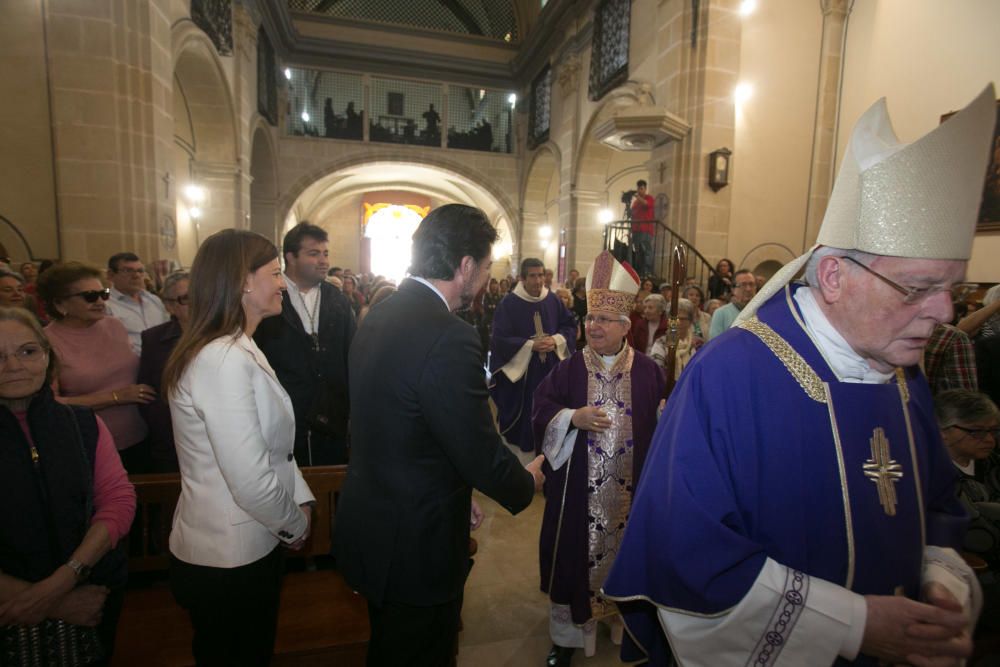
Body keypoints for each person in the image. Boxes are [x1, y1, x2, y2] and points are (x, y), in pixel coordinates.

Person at [603, 84, 996, 666]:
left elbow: (937, 504)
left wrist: (941, 582)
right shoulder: (732, 376)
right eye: (919, 288)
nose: (943, 314)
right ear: (833, 276)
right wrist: (855, 625)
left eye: (951, 289)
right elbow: (690, 557)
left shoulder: (902, 374)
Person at [334, 204, 545, 666]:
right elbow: (479, 447)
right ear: (465, 266)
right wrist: (525, 482)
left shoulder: (381, 313)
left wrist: (453, 487)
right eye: (487, 267)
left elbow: (408, 424)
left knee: (389, 647)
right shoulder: (449, 335)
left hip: (375, 524)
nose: (488, 279)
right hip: (414, 546)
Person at [162, 229, 315, 666]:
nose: (283, 283)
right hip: (227, 558)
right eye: (274, 273)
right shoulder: (221, 359)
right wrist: (295, 525)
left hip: (250, 542)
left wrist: (301, 498)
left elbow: (274, 450)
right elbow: (248, 479)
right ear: (243, 281)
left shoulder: (240, 346)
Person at [532, 251, 665, 666]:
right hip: (577, 497)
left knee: (629, 556)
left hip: (632, 493)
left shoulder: (648, 371)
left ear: (626, 326)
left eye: (604, 321)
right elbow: (541, 409)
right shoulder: (569, 369)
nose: (594, 326)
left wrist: (665, 415)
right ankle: (567, 639)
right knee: (573, 561)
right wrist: (573, 416)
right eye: (591, 319)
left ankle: (622, 626)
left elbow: (663, 428)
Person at [0, 307, 136, 664]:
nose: (13, 365)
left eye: (27, 351)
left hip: (90, 588)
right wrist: (54, 601)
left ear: (47, 356)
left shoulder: (81, 423)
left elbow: (117, 501)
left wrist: (67, 578)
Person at [255, 222, 356, 466]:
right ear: (290, 257)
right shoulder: (268, 300)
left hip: (333, 420)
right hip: (285, 418)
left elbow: (352, 356)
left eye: (325, 253)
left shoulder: (338, 301)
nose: (323, 261)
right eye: (313, 254)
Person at [39, 261, 154, 473]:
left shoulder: (114, 325)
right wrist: (115, 397)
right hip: (90, 443)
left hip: (140, 436)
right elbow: (50, 404)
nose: (100, 301)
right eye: (90, 296)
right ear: (60, 304)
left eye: (104, 294)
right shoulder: (47, 341)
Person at [489, 258, 577, 452]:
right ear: (522, 278)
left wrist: (556, 340)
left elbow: (569, 325)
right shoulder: (509, 303)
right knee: (528, 413)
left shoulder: (552, 299)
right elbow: (500, 339)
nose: (538, 281)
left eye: (541, 275)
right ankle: (526, 448)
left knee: (552, 408)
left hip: (552, 369)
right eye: (533, 276)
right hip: (525, 375)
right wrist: (530, 345)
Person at [934, 389, 1000, 565]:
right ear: (943, 432)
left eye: (993, 431)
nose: (989, 440)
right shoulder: (931, 475)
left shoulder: (994, 462)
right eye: (976, 432)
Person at [137, 271, 190, 472]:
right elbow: (149, 390)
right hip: (172, 439)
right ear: (169, 306)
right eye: (186, 298)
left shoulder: (224, 334)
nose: (196, 303)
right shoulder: (153, 339)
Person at [104, 252, 169, 355]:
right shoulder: (106, 305)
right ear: (111, 275)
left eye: (140, 271)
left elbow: (168, 330)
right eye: (128, 270)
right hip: (130, 366)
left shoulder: (154, 300)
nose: (136, 275)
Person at [649, 297, 702, 380]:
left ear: (690, 321)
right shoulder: (661, 342)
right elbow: (656, 370)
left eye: (682, 319)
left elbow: (701, 369)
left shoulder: (698, 343)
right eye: (674, 319)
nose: (678, 322)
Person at [707, 268, 756, 339]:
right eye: (743, 285)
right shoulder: (721, 313)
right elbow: (715, 342)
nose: (748, 289)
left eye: (751, 284)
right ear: (733, 289)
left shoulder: (762, 311)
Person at [629, 180, 656, 278]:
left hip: (646, 230)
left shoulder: (649, 198)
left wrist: (637, 197)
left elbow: (647, 204)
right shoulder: (636, 202)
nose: (639, 190)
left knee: (646, 251)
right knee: (638, 251)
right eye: (638, 188)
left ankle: (647, 271)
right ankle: (639, 271)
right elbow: (632, 215)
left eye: (641, 188)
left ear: (645, 189)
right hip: (636, 230)